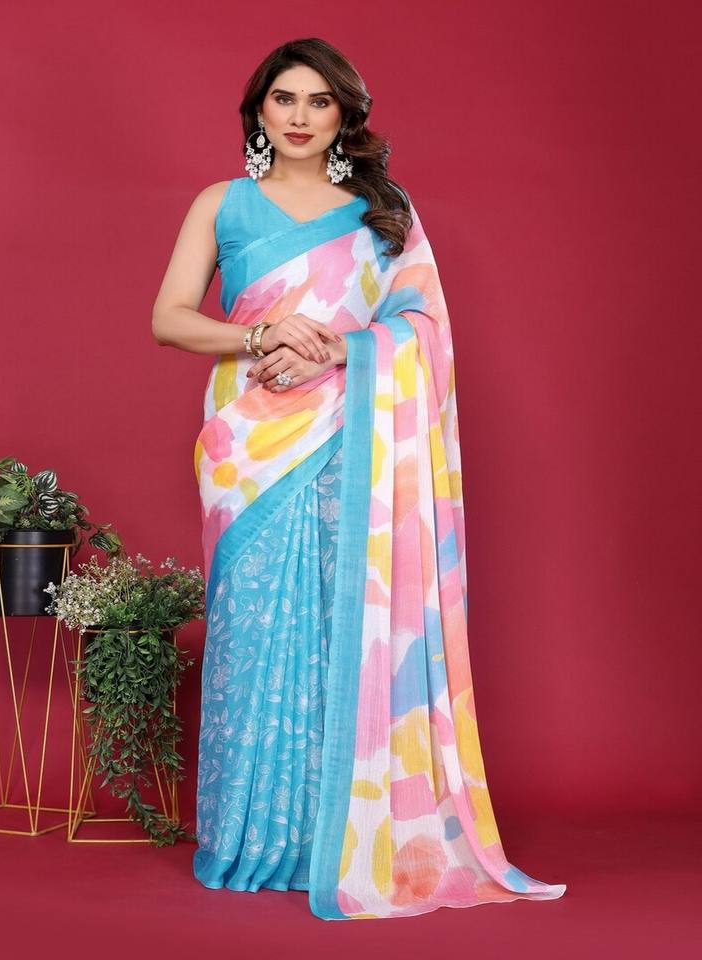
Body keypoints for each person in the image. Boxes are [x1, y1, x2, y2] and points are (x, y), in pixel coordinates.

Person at [151, 36, 566, 922]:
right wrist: (263, 335)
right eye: (284, 99)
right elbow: (170, 318)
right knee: (255, 631)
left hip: (354, 432)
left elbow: (425, 327)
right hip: (248, 444)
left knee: (348, 625)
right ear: (258, 110)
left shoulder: (383, 210)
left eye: (319, 101)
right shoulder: (222, 204)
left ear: (345, 114)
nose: (300, 117)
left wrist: (341, 349)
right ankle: (251, 839)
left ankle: (339, 839)